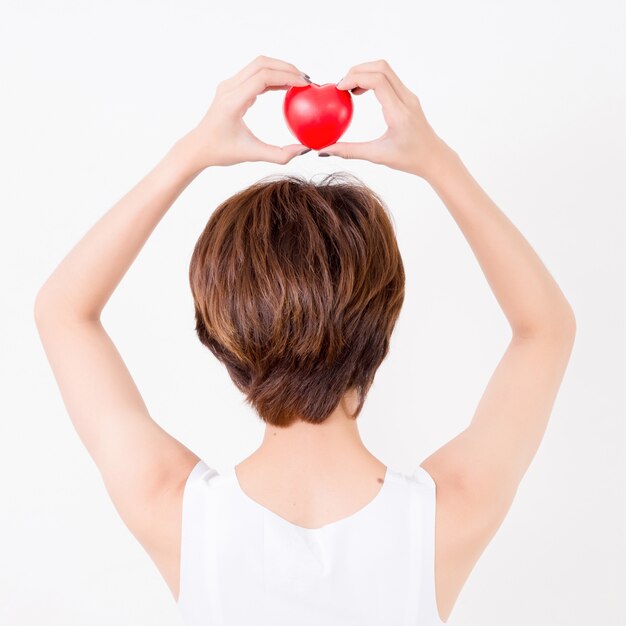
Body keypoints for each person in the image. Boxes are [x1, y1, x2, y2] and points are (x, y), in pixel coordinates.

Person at [34, 56, 576, 625]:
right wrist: (438, 162)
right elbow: (546, 329)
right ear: (384, 320)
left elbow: (63, 310)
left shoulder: (174, 510)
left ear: (221, 339)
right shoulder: (448, 514)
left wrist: (190, 153)